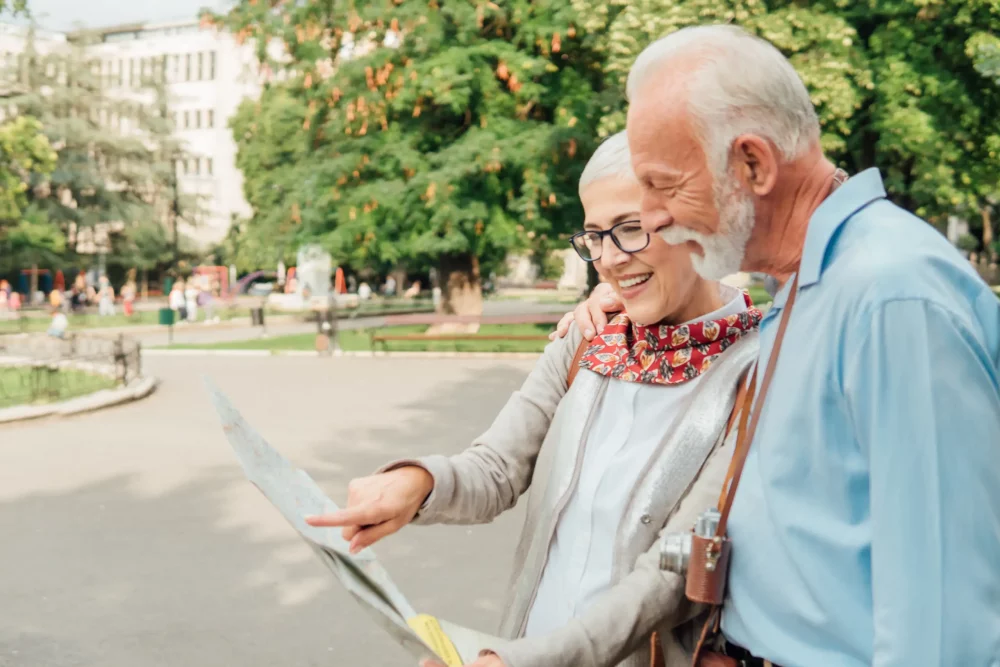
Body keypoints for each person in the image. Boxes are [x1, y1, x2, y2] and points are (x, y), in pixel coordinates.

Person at [557, 24, 1000, 667]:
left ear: (753, 165)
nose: (651, 217)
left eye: (664, 185)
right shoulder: (809, 286)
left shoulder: (890, 297)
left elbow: (942, 626)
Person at [306, 132, 763, 667]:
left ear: (697, 221)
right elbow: (496, 467)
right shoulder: (588, 338)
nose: (608, 259)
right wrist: (416, 484)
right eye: (594, 236)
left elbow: (672, 572)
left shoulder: (760, 371)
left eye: (629, 229)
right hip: (519, 647)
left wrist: (523, 661)